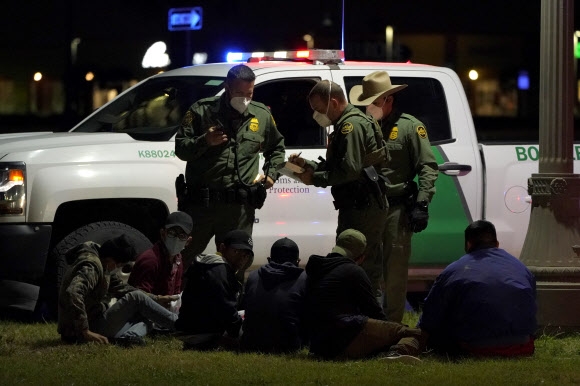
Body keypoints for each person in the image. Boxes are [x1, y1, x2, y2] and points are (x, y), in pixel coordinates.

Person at [175, 64, 286, 269]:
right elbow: (181, 149)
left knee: (235, 267)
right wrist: (205, 140)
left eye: (249, 93)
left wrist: (271, 174)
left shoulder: (261, 115)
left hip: (238, 209)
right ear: (227, 87)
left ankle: (232, 301)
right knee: (183, 261)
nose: (244, 98)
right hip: (201, 206)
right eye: (238, 92)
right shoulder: (201, 111)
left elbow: (277, 149)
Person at [349, 70, 439, 322]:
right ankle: (369, 324)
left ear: (389, 99)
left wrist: (422, 202)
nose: (369, 107)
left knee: (395, 271)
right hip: (367, 208)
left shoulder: (410, 127)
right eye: (367, 102)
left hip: (395, 208)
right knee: (366, 267)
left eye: (375, 102)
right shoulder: (362, 126)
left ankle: (391, 328)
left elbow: (428, 167)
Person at [289, 80, 389, 297]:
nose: (316, 115)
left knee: (361, 268)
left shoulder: (350, 126)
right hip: (359, 205)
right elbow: (340, 165)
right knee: (356, 267)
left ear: (333, 103)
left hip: (362, 207)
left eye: (318, 109)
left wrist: (314, 178)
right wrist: (307, 165)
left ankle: (369, 320)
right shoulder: (346, 125)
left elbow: (350, 171)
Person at [418, 220, 537, 358]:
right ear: (497, 244)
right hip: (522, 346)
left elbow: (430, 316)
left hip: (475, 347)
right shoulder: (521, 268)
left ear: (468, 244)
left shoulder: (455, 270)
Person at [304, 229, 425, 362]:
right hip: (345, 338)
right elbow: (373, 311)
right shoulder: (353, 271)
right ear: (361, 257)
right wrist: (390, 330)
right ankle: (397, 353)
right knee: (414, 333)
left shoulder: (316, 269)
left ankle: (386, 351)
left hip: (319, 345)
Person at [57, 234, 177, 346]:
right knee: (136, 297)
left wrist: (156, 299)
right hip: (79, 331)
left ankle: (129, 337)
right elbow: (73, 292)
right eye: (119, 265)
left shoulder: (102, 263)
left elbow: (122, 288)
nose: (117, 268)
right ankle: (181, 325)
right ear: (111, 259)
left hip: (93, 319)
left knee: (149, 313)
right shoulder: (92, 267)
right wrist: (85, 331)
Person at [175, 229, 254, 350]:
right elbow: (227, 312)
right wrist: (240, 333)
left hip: (190, 328)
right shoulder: (220, 271)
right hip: (201, 333)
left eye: (245, 255)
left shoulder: (211, 265)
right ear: (222, 248)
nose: (241, 258)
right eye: (236, 251)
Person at [239, 237, 307, 353]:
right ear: (298, 261)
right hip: (288, 346)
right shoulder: (304, 279)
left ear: (269, 259)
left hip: (251, 343)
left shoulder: (253, 276)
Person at [128, 211, 193, 311]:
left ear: (188, 241)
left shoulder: (178, 259)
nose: (176, 239)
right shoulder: (150, 260)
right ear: (163, 234)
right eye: (172, 233)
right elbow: (139, 300)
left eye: (182, 236)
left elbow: (176, 292)